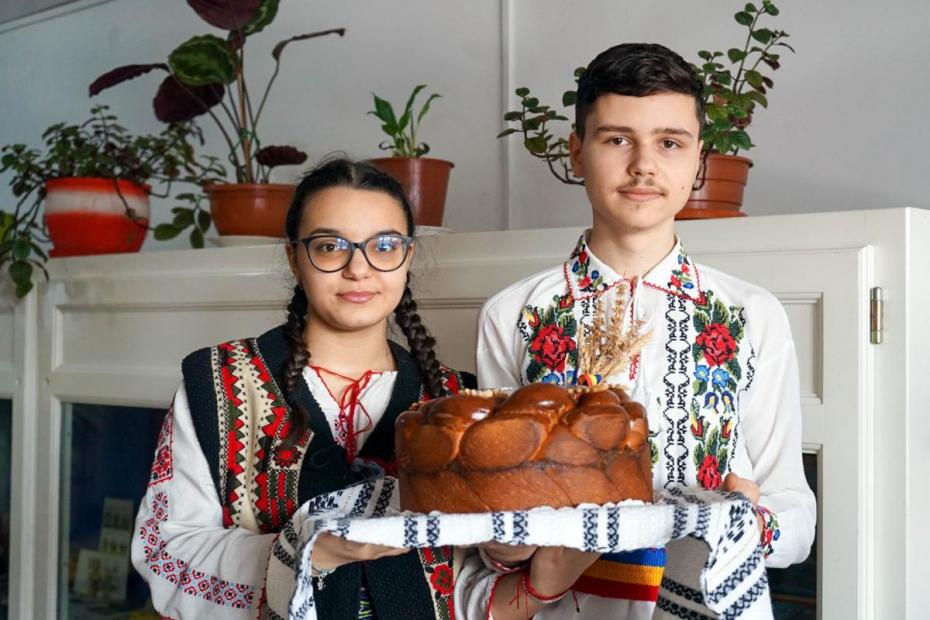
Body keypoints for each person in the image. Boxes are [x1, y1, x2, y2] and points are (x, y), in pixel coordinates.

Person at [457, 43, 816, 619]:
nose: (644, 165)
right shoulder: (513, 314)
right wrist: (507, 539)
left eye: (670, 142)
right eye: (617, 139)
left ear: (699, 160)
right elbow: (495, 509)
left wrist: (748, 521)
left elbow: (795, 515)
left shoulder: (752, 314)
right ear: (577, 153)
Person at [131, 157, 474, 619]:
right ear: (295, 257)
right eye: (330, 246)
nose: (359, 269)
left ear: (407, 256)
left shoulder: (458, 400)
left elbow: (479, 572)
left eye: (385, 245)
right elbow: (166, 552)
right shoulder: (219, 383)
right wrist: (304, 550)